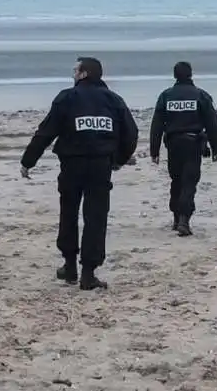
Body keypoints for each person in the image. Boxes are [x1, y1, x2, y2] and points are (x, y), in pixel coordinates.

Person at [20, 57, 139, 290]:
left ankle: (71, 265)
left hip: (73, 164)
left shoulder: (67, 98)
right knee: (96, 217)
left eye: (75, 70)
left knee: (69, 213)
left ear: (84, 74)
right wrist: (119, 160)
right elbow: (131, 134)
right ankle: (87, 272)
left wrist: (28, 161)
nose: (73, 74)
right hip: (99, 165)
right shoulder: (113, 100)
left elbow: (46, 132)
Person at [149, 61, 217, 236]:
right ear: (190, 75)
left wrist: (154, 150)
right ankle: (184, 219)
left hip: (173, 143)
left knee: (176, 180)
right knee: (189, 182)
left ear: (175, 76)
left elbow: (157, 124)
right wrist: (216, 147)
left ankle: (176, 217)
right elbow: (212, 123)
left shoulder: (166, 96)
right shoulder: (200, 95)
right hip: (193, 143)